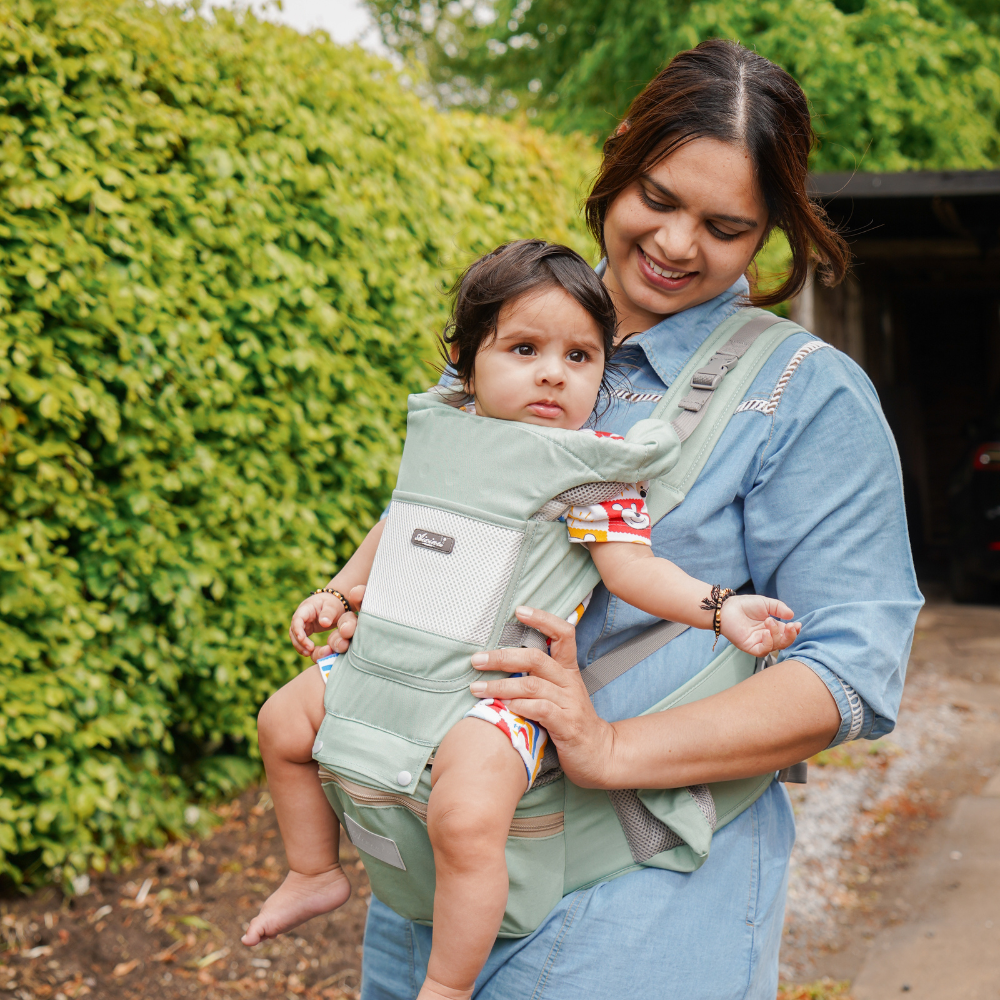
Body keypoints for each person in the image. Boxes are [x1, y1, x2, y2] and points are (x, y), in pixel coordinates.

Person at [288, 39, 923, 998]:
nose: (675, 245)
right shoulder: (517, 326)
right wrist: (356, 598)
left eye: (725, 225)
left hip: (635, 900)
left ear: (771, 232)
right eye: (658, 199)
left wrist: (611, 748)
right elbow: (432, 513)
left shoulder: (805, 396)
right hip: (426, 878)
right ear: (619, 158)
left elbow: (849, 671)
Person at [243, 239, 803, 1000]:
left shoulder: (588, 466)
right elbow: (397, 522)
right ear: (466, 360)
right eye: (525, 348)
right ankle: (312, 871)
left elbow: (635, 572)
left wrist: (721, 608)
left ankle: (445, 982)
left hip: (487, 695)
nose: (553, 372)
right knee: (281, 723)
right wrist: (340, 594)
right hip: (383, 669)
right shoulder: (444, 433)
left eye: (580, 357)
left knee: (468, 817)